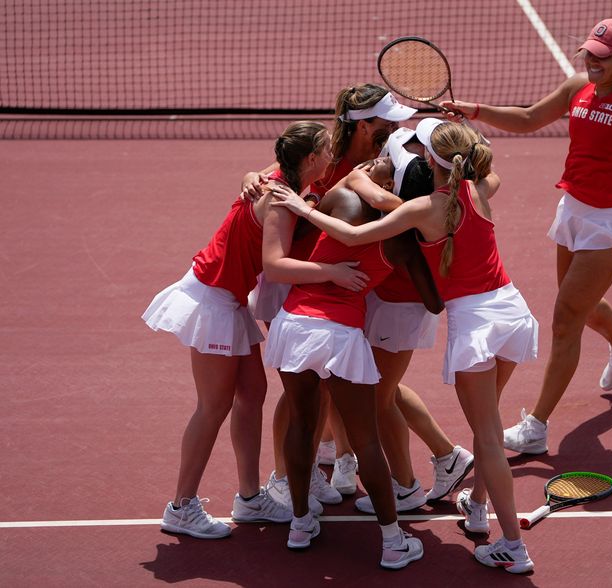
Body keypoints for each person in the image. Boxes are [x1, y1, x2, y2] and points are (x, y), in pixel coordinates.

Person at [271, 119, 537, 574]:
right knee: (487, 424)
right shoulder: (475, 190)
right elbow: (488, 171)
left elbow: (353, 235)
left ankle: (512, 545)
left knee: (488, 435)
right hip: (512, 312)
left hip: (469, 326)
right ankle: (473, 505)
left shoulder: (418, 211)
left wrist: (303, 204)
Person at [442, 18, 612, 454]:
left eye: (601, 57)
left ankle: (537, 427)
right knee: (576, 303)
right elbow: (528, 119)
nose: (592, 62)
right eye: (589, 54)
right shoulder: (575, 87)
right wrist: (476, 112)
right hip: (575, 209)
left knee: (565, 320)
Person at [142, 121, 369, 539]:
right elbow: (275, 266)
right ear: (311, 160)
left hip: (227, 298)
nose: (332, 155)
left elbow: (256, 181)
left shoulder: (279, 178)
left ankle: (248, 498)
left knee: (252, 395)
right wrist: (331, 272)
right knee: (213, 406)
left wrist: (253, 177)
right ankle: (181, 506)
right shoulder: (280, 202)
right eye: (325, 150)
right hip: (212, 298)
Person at [262, 152, 440, 569]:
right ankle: (394, 542)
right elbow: (433, 303)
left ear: (389, 182)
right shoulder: (405, 241)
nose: (373, 161)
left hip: (296, 325)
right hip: (342, 334)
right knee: (366, 441)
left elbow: (315, 228)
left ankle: (301, 524)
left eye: (383, 161)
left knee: (302, 424)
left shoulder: (340, 196)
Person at [244, 84, 417, 503]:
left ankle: (333, 461)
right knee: (302, 388)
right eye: (388, 120)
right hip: (298, 279)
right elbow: (268, 177)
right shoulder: (326, 157)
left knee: (333, 384)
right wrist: (251, 177)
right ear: (364, 126)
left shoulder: (384, 163)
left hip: (344, 284)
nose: (397, 126)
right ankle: (283, 477)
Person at [352, 128, 474, 515]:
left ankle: (404, 487)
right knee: (388, 387)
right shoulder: (440, 196)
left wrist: (356, 176)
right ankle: (447, 455)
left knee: (378, 398)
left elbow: (355, 231)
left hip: (398, 308)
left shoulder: (402, 221)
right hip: (398, 306)